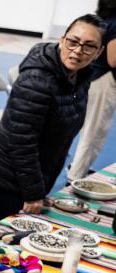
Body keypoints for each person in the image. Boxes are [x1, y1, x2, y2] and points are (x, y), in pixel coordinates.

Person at [0, 14, 105, 226]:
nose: (78, 51)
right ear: (62, 40)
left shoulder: (80, 76)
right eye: (73, 41)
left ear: (99, 52)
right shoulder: (37, 80)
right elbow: (22, 143)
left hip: (32, 175)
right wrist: (34, 192)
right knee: (4, 243)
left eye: (89, 46)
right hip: (4, 178)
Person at [68, 1, 116, 181]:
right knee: (94, 133)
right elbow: (113, 59)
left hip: (94, 79)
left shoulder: (105, 19)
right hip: (103, 80)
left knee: (90, 131)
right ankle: (75, 177)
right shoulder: (115, 22)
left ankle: (77, 170)